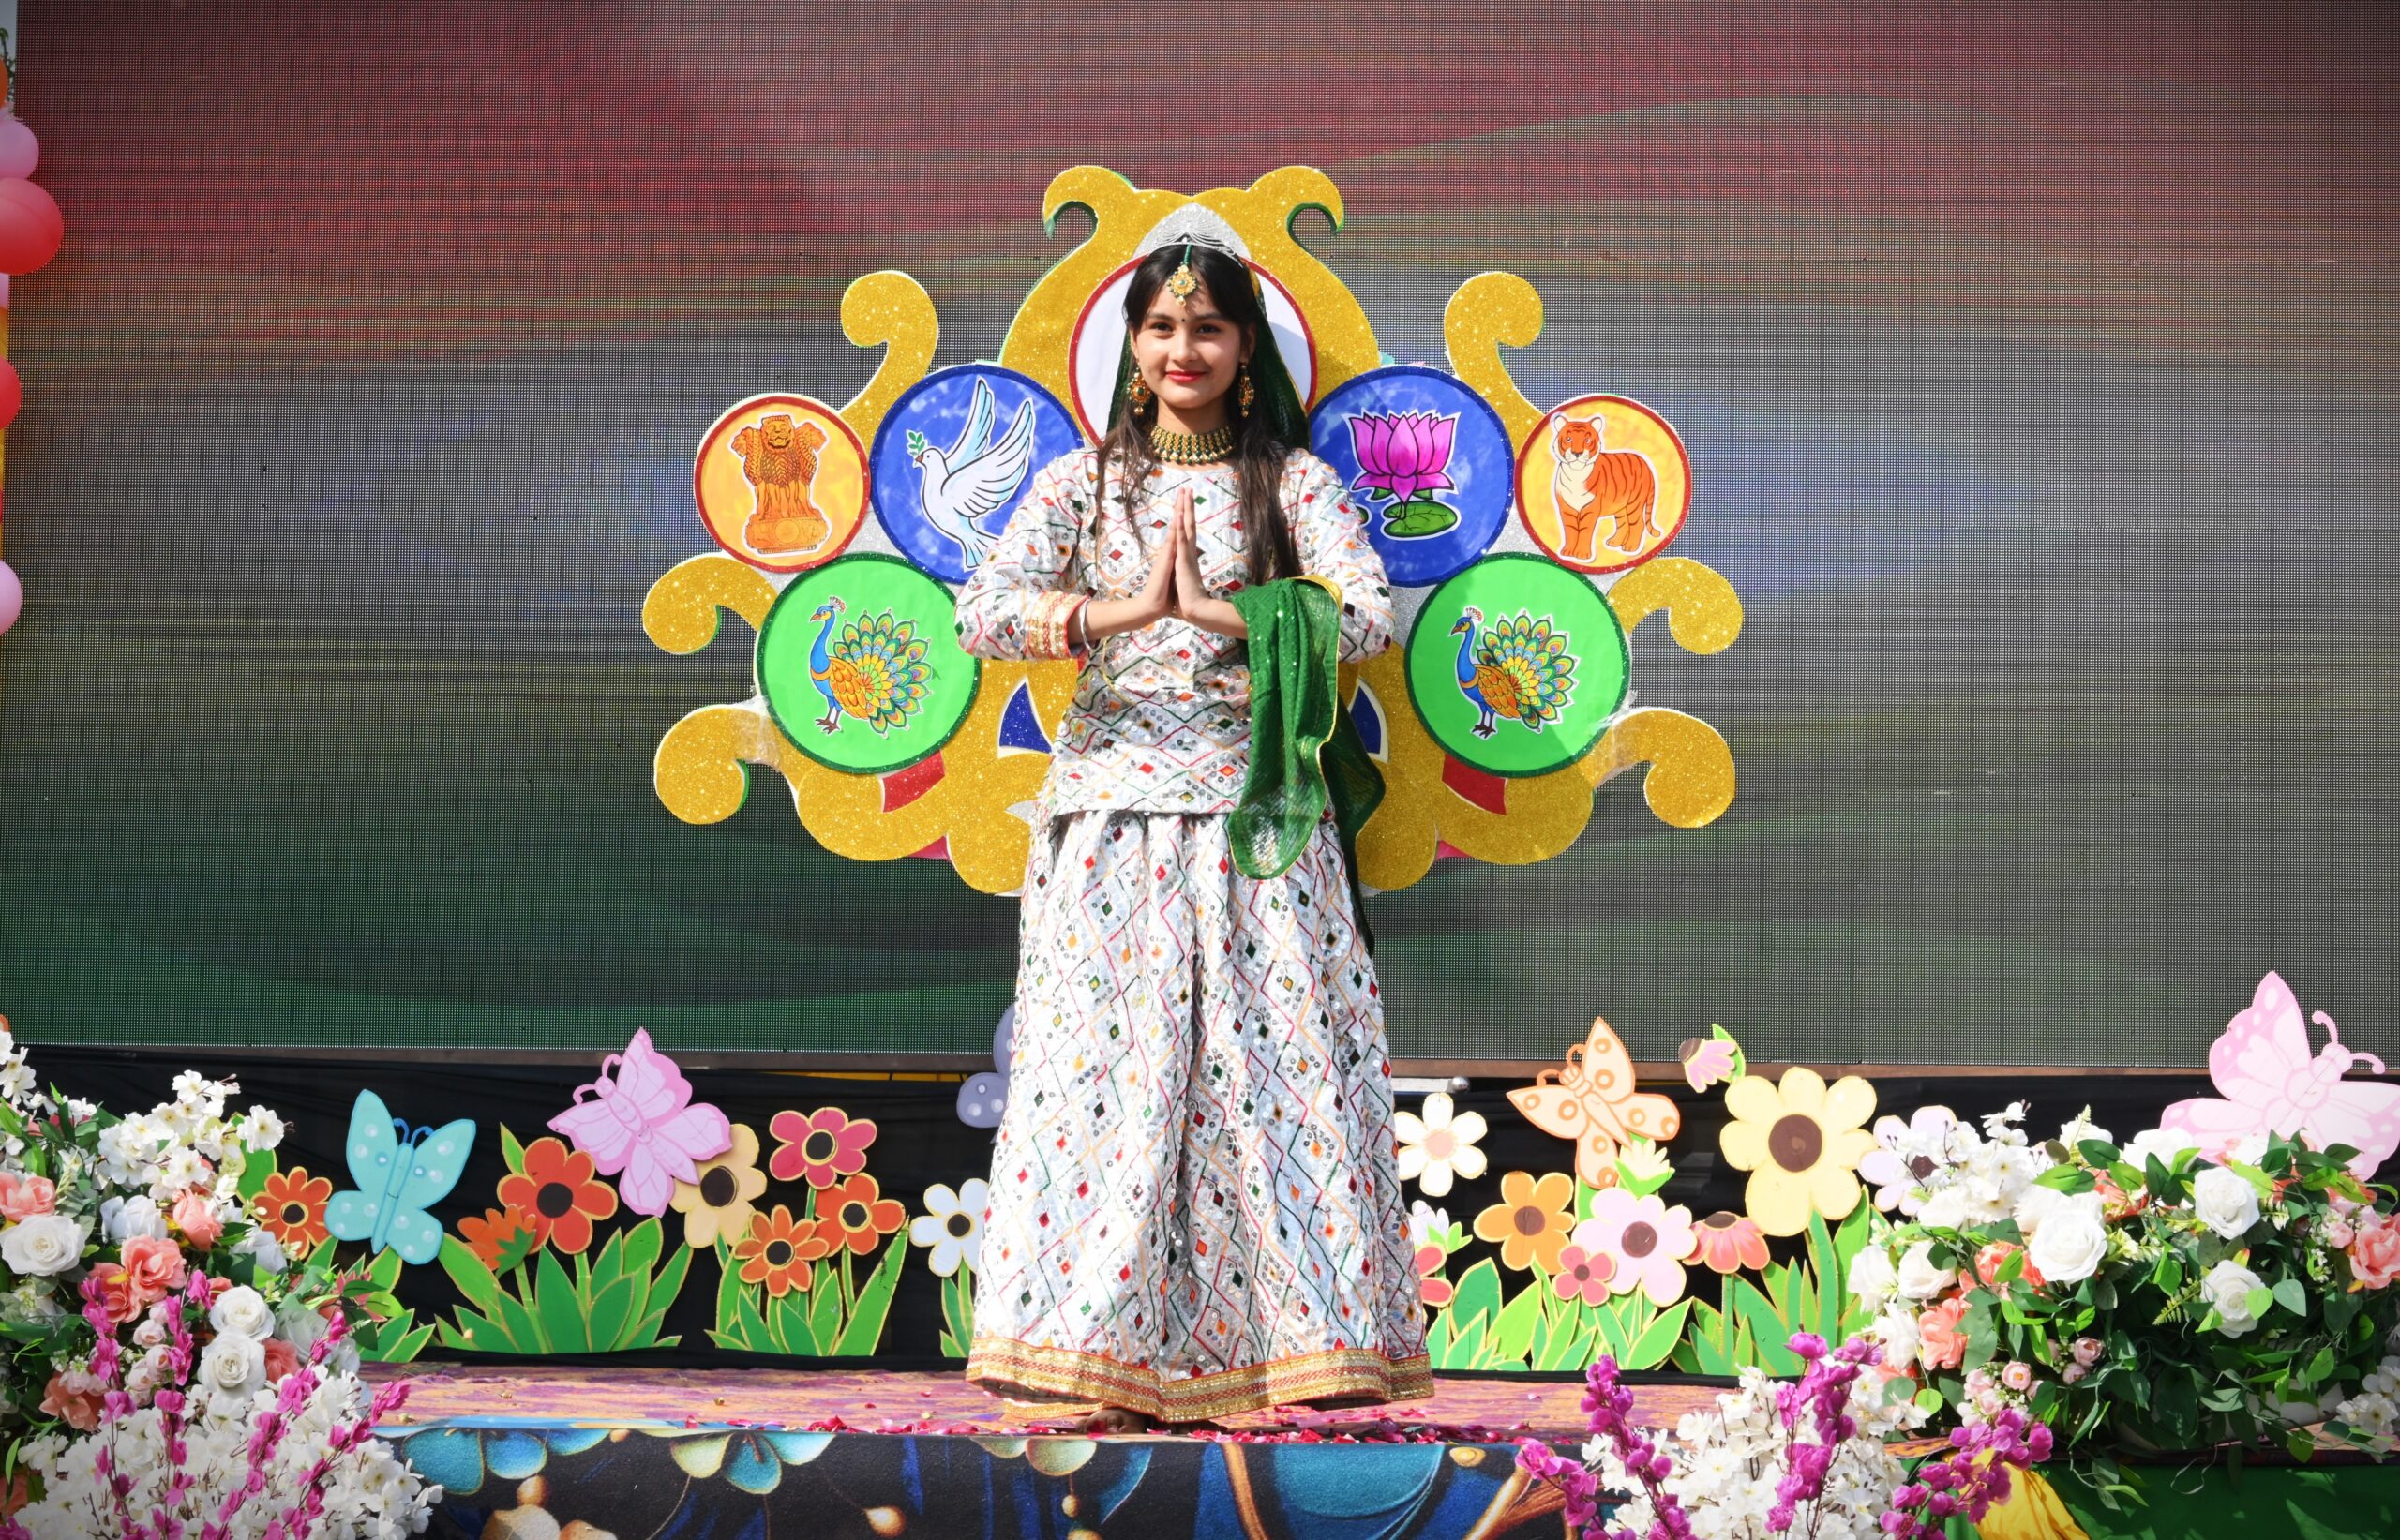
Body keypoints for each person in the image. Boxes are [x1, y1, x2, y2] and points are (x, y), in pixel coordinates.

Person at [953, 232, 1428, 1432]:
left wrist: (1226, 614)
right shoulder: (1081, 484)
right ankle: (1088, 1354)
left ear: (1245, 347)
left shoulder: (1292, 487)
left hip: (1255, 823)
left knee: (1266, 1084)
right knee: (1109, 1084)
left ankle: (1290, 1353)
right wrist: (1119, 611)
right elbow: (981, 614)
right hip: (1110, 820)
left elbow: (1367, 616)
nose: (1183, 348)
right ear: (1130, 344)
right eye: (1162, 327)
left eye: (1207, 327)